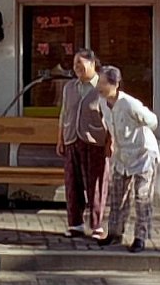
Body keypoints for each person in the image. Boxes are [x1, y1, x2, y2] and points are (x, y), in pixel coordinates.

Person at [95, 65, 159, 253]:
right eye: (99, 82)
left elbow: (152, 121)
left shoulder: (129, 103)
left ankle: (140, 237)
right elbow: (110, 126)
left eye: (103, 83)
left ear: (115, 84)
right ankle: (115, 233)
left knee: (142, 198)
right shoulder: (102, 103)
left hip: (143, 154)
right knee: (117, 197)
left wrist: (139, 128)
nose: (99, 86)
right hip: (122, 155)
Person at [56, 48, 107, 238]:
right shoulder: (69, 87)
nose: (77, 66)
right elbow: (64, 114)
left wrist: (110, 142)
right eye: (75, 63)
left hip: (95, 141)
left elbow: (110, 116)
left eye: (81, 62)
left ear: (92, 64)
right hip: (72, 139)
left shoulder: (102, 86)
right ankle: (75, 224)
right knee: (72, 183)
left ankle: (96, 225)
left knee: (96, 184)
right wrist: (60, 139)